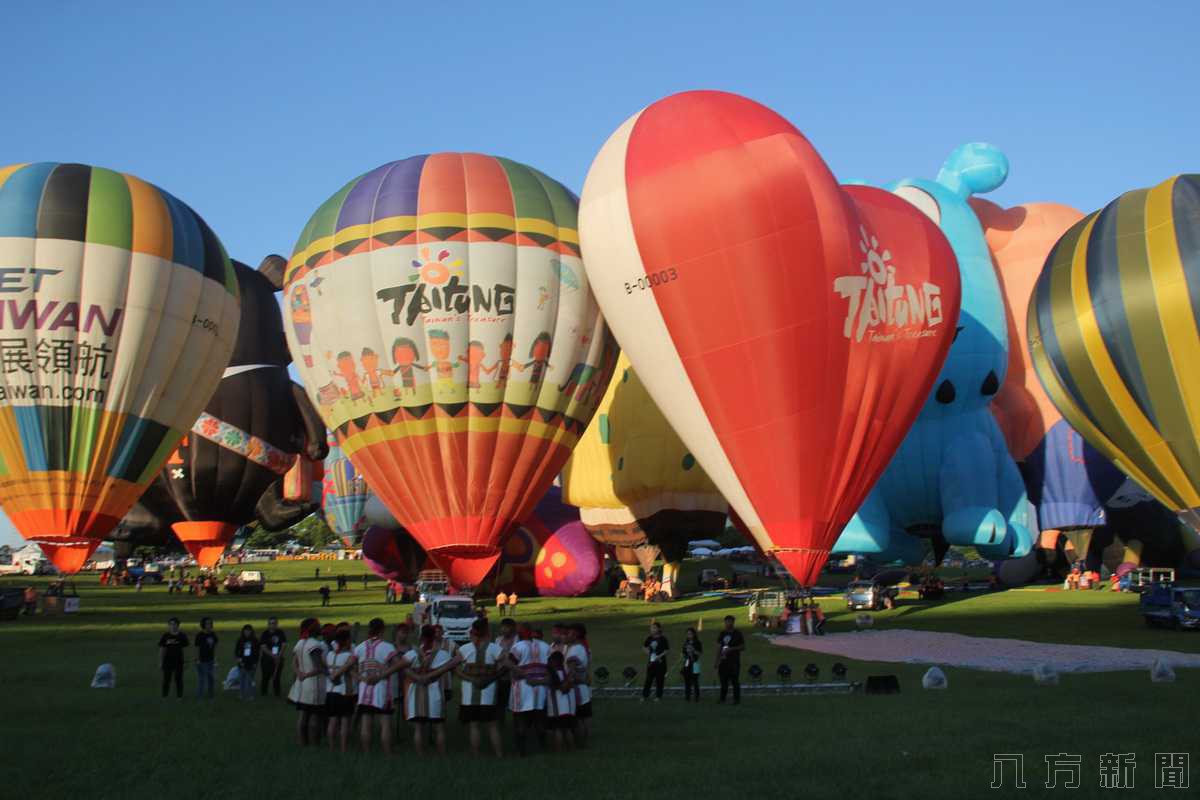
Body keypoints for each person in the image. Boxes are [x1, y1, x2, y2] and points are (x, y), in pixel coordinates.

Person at [403, 624, 458, 756]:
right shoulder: (443, 654)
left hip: (416, 694)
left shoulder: (412, 654)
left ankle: (420, 755)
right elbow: (452, 665)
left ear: (421, 637)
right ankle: (442, 754)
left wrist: (416, 676)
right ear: (434, 637)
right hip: (435, 693)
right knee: (439, 728)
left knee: (418, 728)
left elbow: (402, 667)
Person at [456, 618, 503, 757]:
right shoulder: (495, 648)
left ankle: (476, 754)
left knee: (474, 725)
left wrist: (470, 678)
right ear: (487, 631)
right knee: (493, 725)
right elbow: (505, 666)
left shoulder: (464, 649)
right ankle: (499, 754)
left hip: (469, 695)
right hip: (489, 693)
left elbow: (456, 669)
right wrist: (492, 678)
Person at [355, 617, 400, 754]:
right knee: (385, 723)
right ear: (382, 630)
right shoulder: (387, 647)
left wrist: (361, 677)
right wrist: (382, 675)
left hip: (364, 690)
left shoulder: (360, 647)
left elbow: (348, 666)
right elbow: (398, 663)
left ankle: (367, 752)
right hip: (382, 689)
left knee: (366, 723)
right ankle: (388, 753)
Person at [508, 623, 551, 755]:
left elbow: (512, 668)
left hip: (522, 688)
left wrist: (522, 676)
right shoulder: (546, 646)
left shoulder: (517, 647)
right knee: (539, 719)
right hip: (541, 687)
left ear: (520, 633)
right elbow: (551, 668)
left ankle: (521, 751)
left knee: (520, 720)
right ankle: (543, 748)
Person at [290, 618, 328, 746]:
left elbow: (293, 663)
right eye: (318, 626)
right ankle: (314, 743)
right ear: (313, 629)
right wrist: (328, 669)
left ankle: (302, 743)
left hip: (302, 685)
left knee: (303, 716)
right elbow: (318, 667)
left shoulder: (300, 643)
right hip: (314, 685)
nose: (320, 628)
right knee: (314, 717)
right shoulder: (315, 645)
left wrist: (300, 673)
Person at [325, 628, 356, 752]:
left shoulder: (330, 654)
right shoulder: (348, 656)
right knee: (344, 722)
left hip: (330, 691)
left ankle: (332, 747)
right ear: (347, 640)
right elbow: (350, 669)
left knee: (332, 721)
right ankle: (343, 748)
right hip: (344, 692)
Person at [565, 623, 592, 746]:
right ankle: (585, 742)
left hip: (576, 690)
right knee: (585, 717)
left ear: (575, 635)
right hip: (584, 689)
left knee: (578, 718)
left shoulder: (575, 650)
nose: (566, 635)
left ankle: (580, 743)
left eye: (569, 633)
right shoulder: (583, 648)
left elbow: (571, 672)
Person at [544, 650, 576, 751]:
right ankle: (571, 748)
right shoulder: (564, 671)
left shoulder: (553, 673)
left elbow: (555, 686)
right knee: (567, 729)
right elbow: (568, 686)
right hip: (566, 705)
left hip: (556, 707)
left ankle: (559, 750)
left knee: (557, 729)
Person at [715, 615, 745, 705]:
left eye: (729, 622)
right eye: (726, 622)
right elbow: (718, 647)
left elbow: (743, 647)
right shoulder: (722, 634)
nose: (727, 624)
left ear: (733, 622)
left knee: (735, 681)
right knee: (723, 681)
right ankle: (722, 698)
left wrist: (731, 649)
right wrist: (716, 661)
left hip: (734, 661)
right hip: (723, 661)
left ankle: (736, 700)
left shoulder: (737, 634)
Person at [158, 617, 188, 699]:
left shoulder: (182, 636)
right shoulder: (165, 636)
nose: (172, 626)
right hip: (167, 661)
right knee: (166, 679)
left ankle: (180, 696)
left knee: (178, 679)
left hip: (179, 661)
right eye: (170, 624)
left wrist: (185, 662)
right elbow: (162, 649)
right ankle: (165, 696)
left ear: (178, 625)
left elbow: (185, 649)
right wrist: (161, 662)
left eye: (174, 624)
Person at [494, 618, 517, 718]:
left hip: (513, 675)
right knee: (500, 701)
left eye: (506, 627)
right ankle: (500, 720)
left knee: (514, 701)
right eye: (502, 627)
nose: (504, 629)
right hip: (499, 674)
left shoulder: (518, 640)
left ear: (512, 628)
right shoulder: (498, 640)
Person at [642, 621, 669, 701]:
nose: (652, 629)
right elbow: (644, 647)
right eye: (651, 628)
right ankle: (645, 695)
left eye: (654, 628)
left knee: (659, 680)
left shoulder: (663, 639)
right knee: (648, 679)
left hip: (661, 663)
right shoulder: (649, 638)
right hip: (651, 662)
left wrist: (659, 656)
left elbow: (667, 650)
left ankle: (658, 696)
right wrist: (648, 652)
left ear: (659, 629)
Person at [259, 618, 287, 697]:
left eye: (274, 623)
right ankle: (264, 693)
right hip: (267, 659)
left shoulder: (280, 633)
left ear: (277, 624)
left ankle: (277, 693)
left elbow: (284, 645)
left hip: (278, 658)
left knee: (277, 677)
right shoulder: (265, 634)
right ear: (268, 624)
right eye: (270, 623)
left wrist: (279, 656)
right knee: (265, 676)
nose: (272, 625)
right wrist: (273, 655)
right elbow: (263, 647)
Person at [195, 617, 218, 700]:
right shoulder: (199, 635)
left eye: (210, 623)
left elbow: (215, 647)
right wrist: (197, 659)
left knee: (211, 678)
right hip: (201, 660)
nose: (208, 625)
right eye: (207, 623)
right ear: (203, 625)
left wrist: (215, 659)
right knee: (201, 679)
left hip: (211, 660)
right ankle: (199, 696)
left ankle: (211, 695)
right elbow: (197, 648)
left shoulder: (213, 634)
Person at [235, 624, 259, 700]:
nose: (247, 632)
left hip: (251, 662)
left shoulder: (255, 640)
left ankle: (250, 695)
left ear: (251, 631)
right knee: (242, 679)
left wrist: (255, 662)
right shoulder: (240, 640)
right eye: (246, 631)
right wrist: (239, 660)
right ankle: (241, 694)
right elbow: (236, 651)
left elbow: (257, 652)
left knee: (250, 679)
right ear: (243, 631)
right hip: (242, 662)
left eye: (249, 631)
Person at [680, 627, 703, 702]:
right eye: (688, 634)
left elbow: (699, 653)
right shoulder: (685, 643)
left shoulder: (697, 642)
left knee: (695, 680)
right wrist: (683, 656)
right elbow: (683, 653)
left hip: (695, 663)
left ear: (694, 634)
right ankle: (687, 696)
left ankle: (697, 697)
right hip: (687, 663)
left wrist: (693, 650)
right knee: (687, 680)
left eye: (690, 634)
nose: (689, 635)